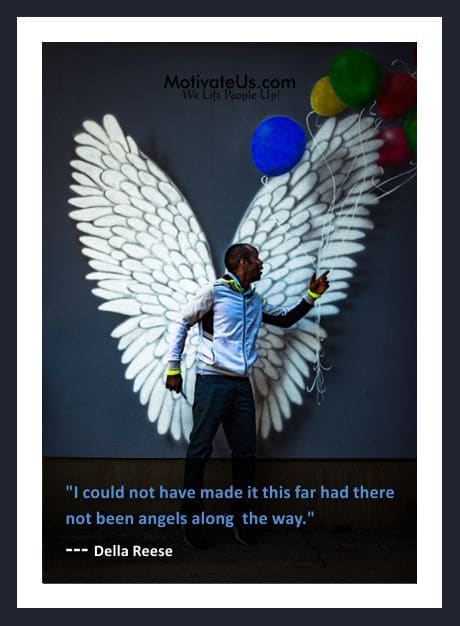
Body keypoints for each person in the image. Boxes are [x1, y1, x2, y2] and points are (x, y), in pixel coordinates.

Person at [165, 243, 329, 548]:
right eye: (256, 259)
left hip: (241, 386)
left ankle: (240, 522)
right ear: (243, 263)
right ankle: (190, 522)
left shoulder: (254, 299)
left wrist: (312, 297)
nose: (261, 263)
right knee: (199, 452)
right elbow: (181, 321)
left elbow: (283, 319)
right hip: (212, 382)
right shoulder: (214, 292)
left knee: (244, 456)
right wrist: (173, 367)